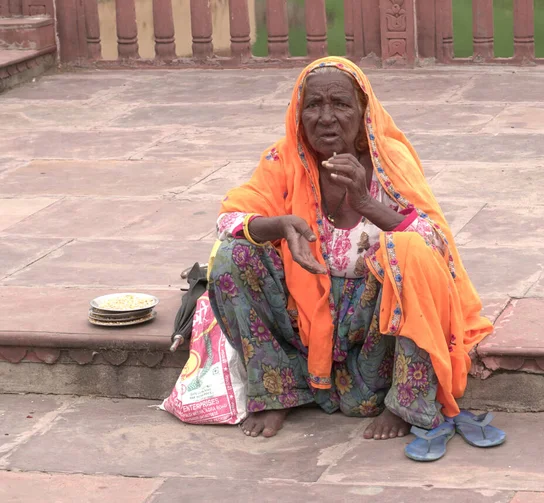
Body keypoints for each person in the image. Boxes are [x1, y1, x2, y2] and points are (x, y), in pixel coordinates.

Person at [208, 56, 500, 460]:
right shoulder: (284, 160)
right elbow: (229, 219)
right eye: (314, 105)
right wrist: (278, 226)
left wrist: (365, 202)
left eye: (340, 104)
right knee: (232, 255)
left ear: (363, 111)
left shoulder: (389, 161)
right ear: (298, 112)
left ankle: (405, 401)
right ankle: (277, 391)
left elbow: (437, 247)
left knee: (410, 250)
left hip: (374, 327)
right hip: (306, 319)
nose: (326, 117)